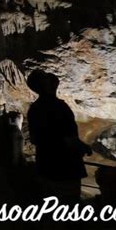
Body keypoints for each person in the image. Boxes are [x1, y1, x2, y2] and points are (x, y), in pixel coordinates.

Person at [26, 69, 92, 203]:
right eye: (46, 77)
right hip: (64, 167)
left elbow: (34, 139)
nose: (50, 77)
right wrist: (84, 148)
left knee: (50, 208)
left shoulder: (34, 109)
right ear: (46, 84)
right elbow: (68, 138)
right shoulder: (58, 107)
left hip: (45, 166)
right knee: (68, 205)